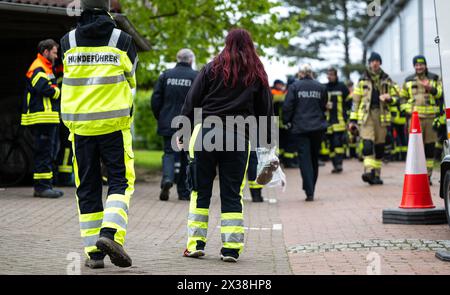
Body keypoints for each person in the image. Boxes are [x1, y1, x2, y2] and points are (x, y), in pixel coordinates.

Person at [180, 28, 273, 262]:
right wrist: (267, 146)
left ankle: (195, 245)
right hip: (238, 137)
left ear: (227, 43)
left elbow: (192, 100)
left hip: (206, 134)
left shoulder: (212, 67)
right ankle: (231, 248)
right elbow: (265, 112)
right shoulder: (257, 72)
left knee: (200, 191)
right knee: (232, 193)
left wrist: (183, 130)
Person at [60, 0, 138, 269]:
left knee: (87, 188)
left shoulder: (67, 40)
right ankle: (109, 234)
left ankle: (94, 253)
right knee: (120, 182)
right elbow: (131, 79)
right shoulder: (122, 39)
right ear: (107, 9)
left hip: (80, 127)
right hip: (113, 126)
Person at [151, 49, 198, 201]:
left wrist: (161, 116)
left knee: (169, 153)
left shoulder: (165, 75)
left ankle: (167, 179)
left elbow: (155, 99)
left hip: (168, 121)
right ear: (190, 60)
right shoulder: (196, 77)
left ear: (177, 58)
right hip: (188, 123)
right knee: (186, 156)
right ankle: (183, 192)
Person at [21, 39, 63, 198]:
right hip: (42, 117)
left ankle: (46, 185)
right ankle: (42, 188)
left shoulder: (45, 67)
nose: (56, 56)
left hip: (48, 118)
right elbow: (45, 89)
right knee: (43, 153)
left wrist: (54, 89)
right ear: (45, 51)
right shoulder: (38, 67)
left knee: (48, 152)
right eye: (54, 52)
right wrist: (57, 92)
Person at [350, 52, 399, 185]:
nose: (375, 63)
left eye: (377, 61)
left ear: (380, 63)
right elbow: (355, 102)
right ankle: (369, 171)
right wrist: (352, 120)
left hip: (382, 116)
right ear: (369, 63)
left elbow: (398, 97)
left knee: (379, 147)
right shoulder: (362, 80)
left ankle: (376, 175)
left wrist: (390, 99)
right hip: (366, 116)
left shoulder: (387, 79)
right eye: (372, 61)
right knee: (367, 145)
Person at [283, 64, 328, 201]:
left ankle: (309, 191)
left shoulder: (294, 87)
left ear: (300, 73)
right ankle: (311, 187)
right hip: (317, 128)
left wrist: (287, 121)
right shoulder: (321, 87)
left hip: (300, 128)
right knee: (314, 158)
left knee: (304, 159)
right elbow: (323, 105)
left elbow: (287, 106)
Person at [400, 55, 443, 182]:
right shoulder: (408, 80)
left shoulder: (434, 78)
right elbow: (402, 98)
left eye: (421, 64)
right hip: (414, 120)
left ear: (425, 65)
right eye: (416, 65)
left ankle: (427, 175)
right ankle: (416, 175)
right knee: (416, 148)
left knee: (430, 147)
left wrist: (431, 88)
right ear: (414, 66)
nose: (419, 67)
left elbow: (441, 94)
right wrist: (408, 110)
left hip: (430, 118)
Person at [324, 67, 350, 173]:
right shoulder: (324, 87)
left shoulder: (342, 87)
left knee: (338, 143)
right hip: (328, 121)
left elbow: (349, 103)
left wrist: (348, 118)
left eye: (331, 75)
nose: (329, 77)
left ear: (336, 75)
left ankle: (339, 164)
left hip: (340, 121)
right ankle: (335, 164)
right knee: (331, 145)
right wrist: (324, 105)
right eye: (328, 74)